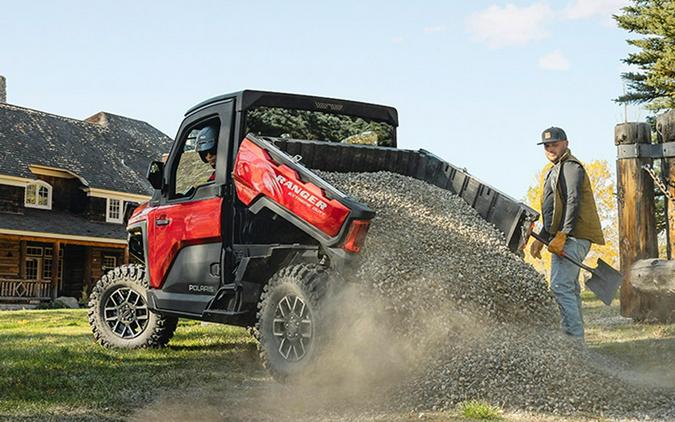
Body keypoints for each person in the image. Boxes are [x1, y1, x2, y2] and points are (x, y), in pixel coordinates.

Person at [529, 127, 605, 339]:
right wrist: (543, 238)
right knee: (569, 288)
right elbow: (552, 210)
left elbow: (573, 200)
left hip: (573, 237)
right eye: (547, 146)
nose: (550, 148)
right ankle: (577, 342)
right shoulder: (554, 170)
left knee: (560, 287)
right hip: (563, 237)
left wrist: (563, 234)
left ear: (566, 143)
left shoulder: (572, 167)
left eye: (554, 144)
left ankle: (573, 344)